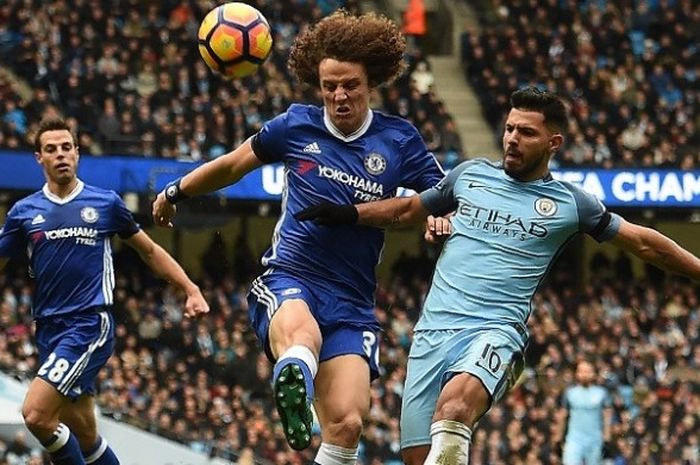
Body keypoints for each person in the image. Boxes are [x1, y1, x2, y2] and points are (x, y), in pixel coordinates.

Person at [294, 86, 700, 465]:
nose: (512, 139)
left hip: (495, 331)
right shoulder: (468, 176)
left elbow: (643, 243)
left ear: (552, 143)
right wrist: (348, 214)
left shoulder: (571, 204)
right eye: (509, 129)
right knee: (419, 456)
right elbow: (405, 211)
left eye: (526, 132)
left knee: (454, 410)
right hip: (433, 333)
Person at [152, 9, 444, 460]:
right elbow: (231, 165)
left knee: (347, 423)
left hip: (352, 300)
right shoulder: (296, 125)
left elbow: (438, 195)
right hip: (292, 276)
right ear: (318, 84)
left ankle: (300, 381)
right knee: (301, 337)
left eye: (350, 85)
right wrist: (177, 190)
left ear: (372, 83)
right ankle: (294, 379)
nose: (340, 95)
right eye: (330, 86)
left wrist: (436, 215)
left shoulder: (399, 139)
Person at [0, 118, 209, 465]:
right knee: (82, 436)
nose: (61, 154)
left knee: (36, 415)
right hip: (48, 330)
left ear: (78, 153)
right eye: (51, 149)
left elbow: (150, 251)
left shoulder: (105, 203)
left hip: (88, 325)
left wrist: (190, 288)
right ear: (39, 158)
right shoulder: (24, 213)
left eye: (67, 147)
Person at [562, 361, 612, 465]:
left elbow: (607, 416)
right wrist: (558, 438)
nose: (584, 374)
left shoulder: (601, 393)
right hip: (574, 439)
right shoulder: (570, 393)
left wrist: (607, 437)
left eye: (588, 371)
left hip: (595, 440)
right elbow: (562, 415)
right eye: (581, 371)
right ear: (576, 374)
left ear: (593, 374)